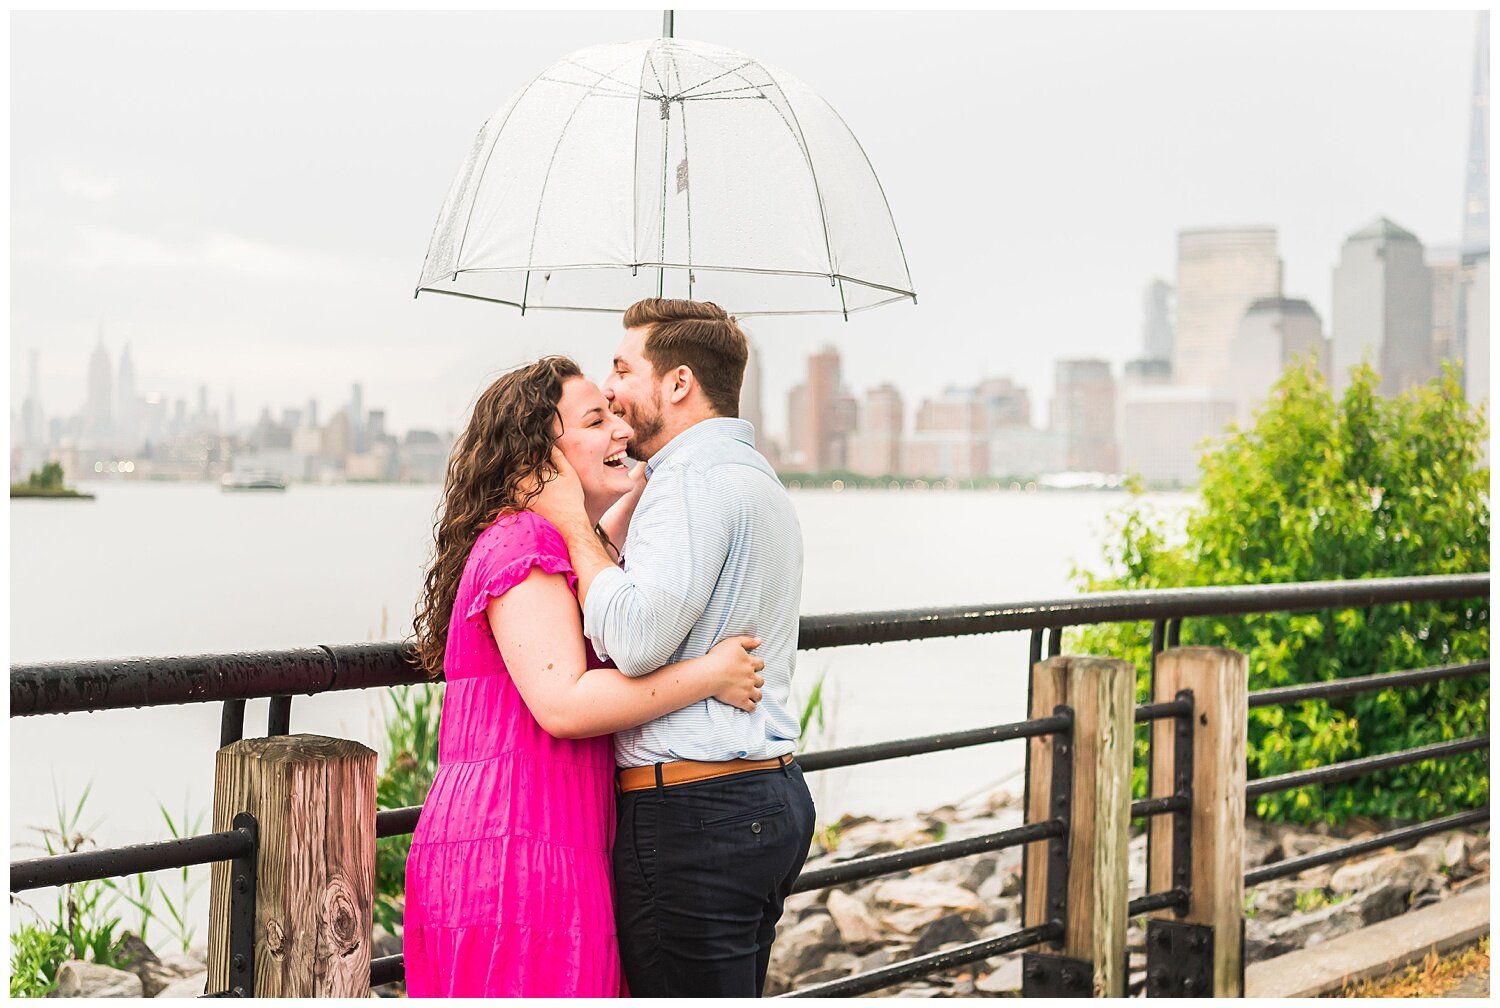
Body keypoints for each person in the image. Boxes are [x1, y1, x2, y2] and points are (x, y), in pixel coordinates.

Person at [402, 355, 767, 998]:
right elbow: (564, 703)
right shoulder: (525, 546)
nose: (619, 429)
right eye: (596, 420)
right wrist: (708, 674)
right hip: (515, 846)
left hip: (543, 837)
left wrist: (664, 454)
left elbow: (604, 542)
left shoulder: (559, 542)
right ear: (538, 460)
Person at [532, 298, 816, 997]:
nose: (610, 387)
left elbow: (633, 639)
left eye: (625, 369)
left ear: (679, 383)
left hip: (695, 817)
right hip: (766, 797)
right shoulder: (751, 473)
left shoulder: (690, 482)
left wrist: (570, 526)